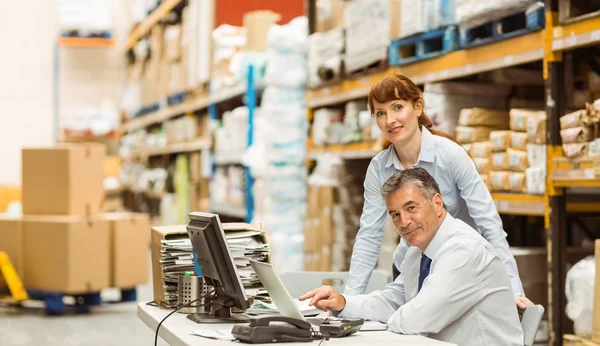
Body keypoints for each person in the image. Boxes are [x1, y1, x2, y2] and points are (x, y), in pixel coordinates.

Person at [344, 74, 532, 309]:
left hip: (460, 265)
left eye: (397, 107)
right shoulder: (379, 168)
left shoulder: (450, 155)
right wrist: (348, 302)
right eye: (380, 113)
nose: (390, 119)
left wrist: (512, 290)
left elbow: (489, 224)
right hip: (411, 268)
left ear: (418, 106)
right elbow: (369, 235)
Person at [300, 168, 524, 346]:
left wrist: (393, 317)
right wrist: (343, 303)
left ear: (437, 203)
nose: (404, 222)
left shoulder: (463, 252)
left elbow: (415, 320)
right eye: (395, 214)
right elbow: (393, 299)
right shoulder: (417, 252)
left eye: (411, 208)